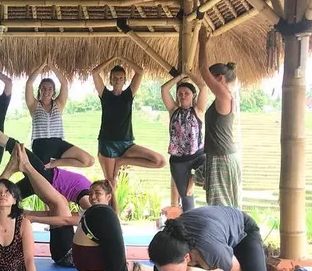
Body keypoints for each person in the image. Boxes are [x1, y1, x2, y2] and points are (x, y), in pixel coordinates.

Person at [0, 105, 89, 266]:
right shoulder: (91, 195)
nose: (95, 195)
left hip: (46, 179)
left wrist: (32, 217)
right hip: (45, 181)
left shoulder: (88, 200)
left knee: (14, 146)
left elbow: (70, 220)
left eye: (98, 194)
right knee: (1, 198)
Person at [60, 180, 226, 271]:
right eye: (91, 194)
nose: (93, 197)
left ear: (109, 197)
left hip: (114, 266)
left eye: (98, 193)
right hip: (114, 266)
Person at [92, 57, 166, 188]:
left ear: (125, 80)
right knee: (111, 183)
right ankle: (112, 209)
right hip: (107, 143)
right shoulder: (105, 94)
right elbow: (95, 72)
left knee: (160, 161)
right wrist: (112, 59)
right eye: (114, 78)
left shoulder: (128, 94)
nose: (117, 80)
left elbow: (140, 72)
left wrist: (122, 59)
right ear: (110, 80)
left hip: (127, 143)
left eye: (121, 78)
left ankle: (122, 161)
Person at [198, 28, 241, 207]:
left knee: (221, 206)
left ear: (220, 79)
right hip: (219, 155)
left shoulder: (225, 96)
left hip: (222, 157)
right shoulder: (225, 97)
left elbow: (202, 70)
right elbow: (200, 77)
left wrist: (202, 43)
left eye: (212, 79)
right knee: (221, 205)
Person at [25, 62, 94, 169]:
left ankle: (54, 163)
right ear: (39, 90)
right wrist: (42, 65)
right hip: (40, 144)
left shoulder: (59, 104)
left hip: (57, 143)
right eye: (43, 88)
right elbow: (29, 83)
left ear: (53, 91)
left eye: (50, 89)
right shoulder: (33, 105)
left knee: (88, 160)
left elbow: (64, 83)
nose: (46, 91)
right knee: (44, 176)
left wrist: (52, 66)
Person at [161, 71, 209, 212]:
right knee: (187, 199)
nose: (182, 96)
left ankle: (193, 178)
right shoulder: (173, 110)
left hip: (198, 155)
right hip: (178, 160)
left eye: (186, 93)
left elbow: (204, 87)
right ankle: (189, 228)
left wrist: (189, 73)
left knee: (214, 167)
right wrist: (180, 77)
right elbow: (164, 89)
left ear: (193, 95)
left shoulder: (198, 110)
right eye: (180, 93)